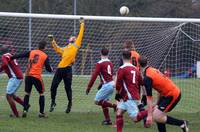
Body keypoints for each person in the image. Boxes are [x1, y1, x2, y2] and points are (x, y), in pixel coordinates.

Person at [139, 56, 189, 132]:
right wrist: (157, 103)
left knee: (156, 116)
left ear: (139, 65)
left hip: (172, 95)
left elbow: (149, 98)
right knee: (157, 114)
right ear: (147, 62)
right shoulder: (153, 70)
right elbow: (160, 88)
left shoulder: (147, 78)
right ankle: (182, 123)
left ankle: (182, 123)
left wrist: (149, 116)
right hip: (167, 94)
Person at [49, 17, 85, 113]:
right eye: (71, 37)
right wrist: (52, 41)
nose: (73, 37)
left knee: (67, 88)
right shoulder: (65, 48)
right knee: (53, 87)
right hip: (60, 69)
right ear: (69, 39)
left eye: (74, 37)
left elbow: (80, 34)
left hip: (68, 70)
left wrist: (82, 24)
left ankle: (69, 104)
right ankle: (53, 102)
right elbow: (57, 49)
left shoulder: (76, 45)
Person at [11, 41, 53, 118]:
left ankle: (25, 110)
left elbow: (21, 55)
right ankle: (41, 113)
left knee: (27, 93)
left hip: (28, 76)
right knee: (41, 94)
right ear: (45, 47)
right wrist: (51, 69)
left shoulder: (32, 52)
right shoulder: (45, 56)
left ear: (38, 46)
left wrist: (12, 57)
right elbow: (48, 69)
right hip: (36, 77)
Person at [115, 50, 148, 132]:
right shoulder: (136, 69)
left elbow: (118, 83)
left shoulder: (121, 69)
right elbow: (142, 83)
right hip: (131, 95)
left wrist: (117, 94)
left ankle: (151, 111)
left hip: (129, 96)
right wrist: (144, 95)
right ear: (130, 58)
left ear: (122, 57)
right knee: (119, 113)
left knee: (135, 119)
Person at [86, 47, 116, 125]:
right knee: (103, 102)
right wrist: (101, 84)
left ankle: (114, 106)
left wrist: (89, 87)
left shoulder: (100, 63)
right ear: (108, 53)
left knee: (97, 101)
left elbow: (94, 76)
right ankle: (108, 120)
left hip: (107, 85)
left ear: (100, 53)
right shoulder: (110, 62)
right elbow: (109, 75)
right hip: (111, 84)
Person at [0, 46, 24, 117]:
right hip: (18, 76)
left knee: (8, 96)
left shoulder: (4, 56)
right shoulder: (11, 55)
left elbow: (4, 64)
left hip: (15, 77)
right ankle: (25, 105)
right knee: (12, 94)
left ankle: (16, 114)